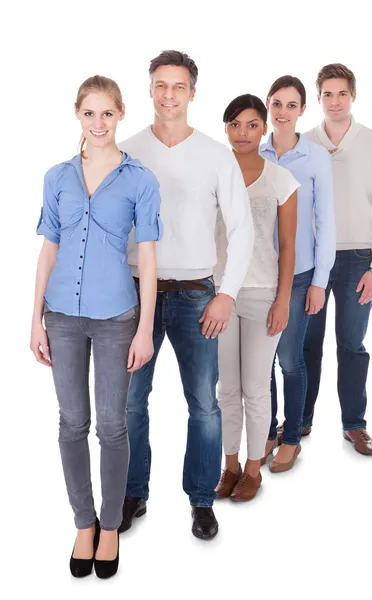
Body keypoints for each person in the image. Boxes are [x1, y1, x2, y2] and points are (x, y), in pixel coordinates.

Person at [119, 51, 254, 539]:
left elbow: (242, 229)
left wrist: (228, 294)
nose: (169, 95)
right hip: (136, 295)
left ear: (193, 93)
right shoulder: (127, 151)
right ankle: (133, 492)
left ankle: (201, 500)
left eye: (178, 86)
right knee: (132, 402)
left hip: (199, 294)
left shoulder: (216, 155)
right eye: (161, 85)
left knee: (204, 404)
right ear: (150, 89)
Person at [30, 75, 161, 578]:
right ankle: (82, 522)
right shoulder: (57, 176)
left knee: (111, 426)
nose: (99, 122)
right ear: (78, 115)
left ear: (121, 114)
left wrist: (146, 327)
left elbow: (147, 260)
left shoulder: (139, 180)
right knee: (71, 424)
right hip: (61, 316)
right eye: (90, 113)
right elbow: (47, 251)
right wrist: (34, 320)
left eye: (108, 113)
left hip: (116, 319)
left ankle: (110, 527)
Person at [302, 63, 372, 455]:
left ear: (353, 96)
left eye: (342, 93)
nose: (335, 101)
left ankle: (354, 424)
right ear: (318, 98)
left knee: (352, 344)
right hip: (312, 260)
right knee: (306, 344)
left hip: (358, 259)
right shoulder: (304, 143)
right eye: (327, 94)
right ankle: (299, 421)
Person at [214, 94, 298, 500]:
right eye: (234, 124)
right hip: (219, 295)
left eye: (251, 124)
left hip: (263, 294)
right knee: (226, 388)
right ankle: (229, 465)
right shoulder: (214, 172)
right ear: (225, 129)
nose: (242, 132)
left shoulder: (280, 178)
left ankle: (252, 469)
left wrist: (283, 300)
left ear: (264, 128)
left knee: (255, 386)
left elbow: (287, 244)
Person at [260, 76, 336, 471]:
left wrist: (321, 281)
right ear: (268, 106)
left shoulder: (315, 156)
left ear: (303, 110)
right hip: (261, 276)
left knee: (290, 359)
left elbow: (326, 221)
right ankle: (268, 431)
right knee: (263, 360)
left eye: (291, 105)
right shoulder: (256, 152)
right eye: (276, 103)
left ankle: (292, 438)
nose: (283, 112)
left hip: (301, 274)